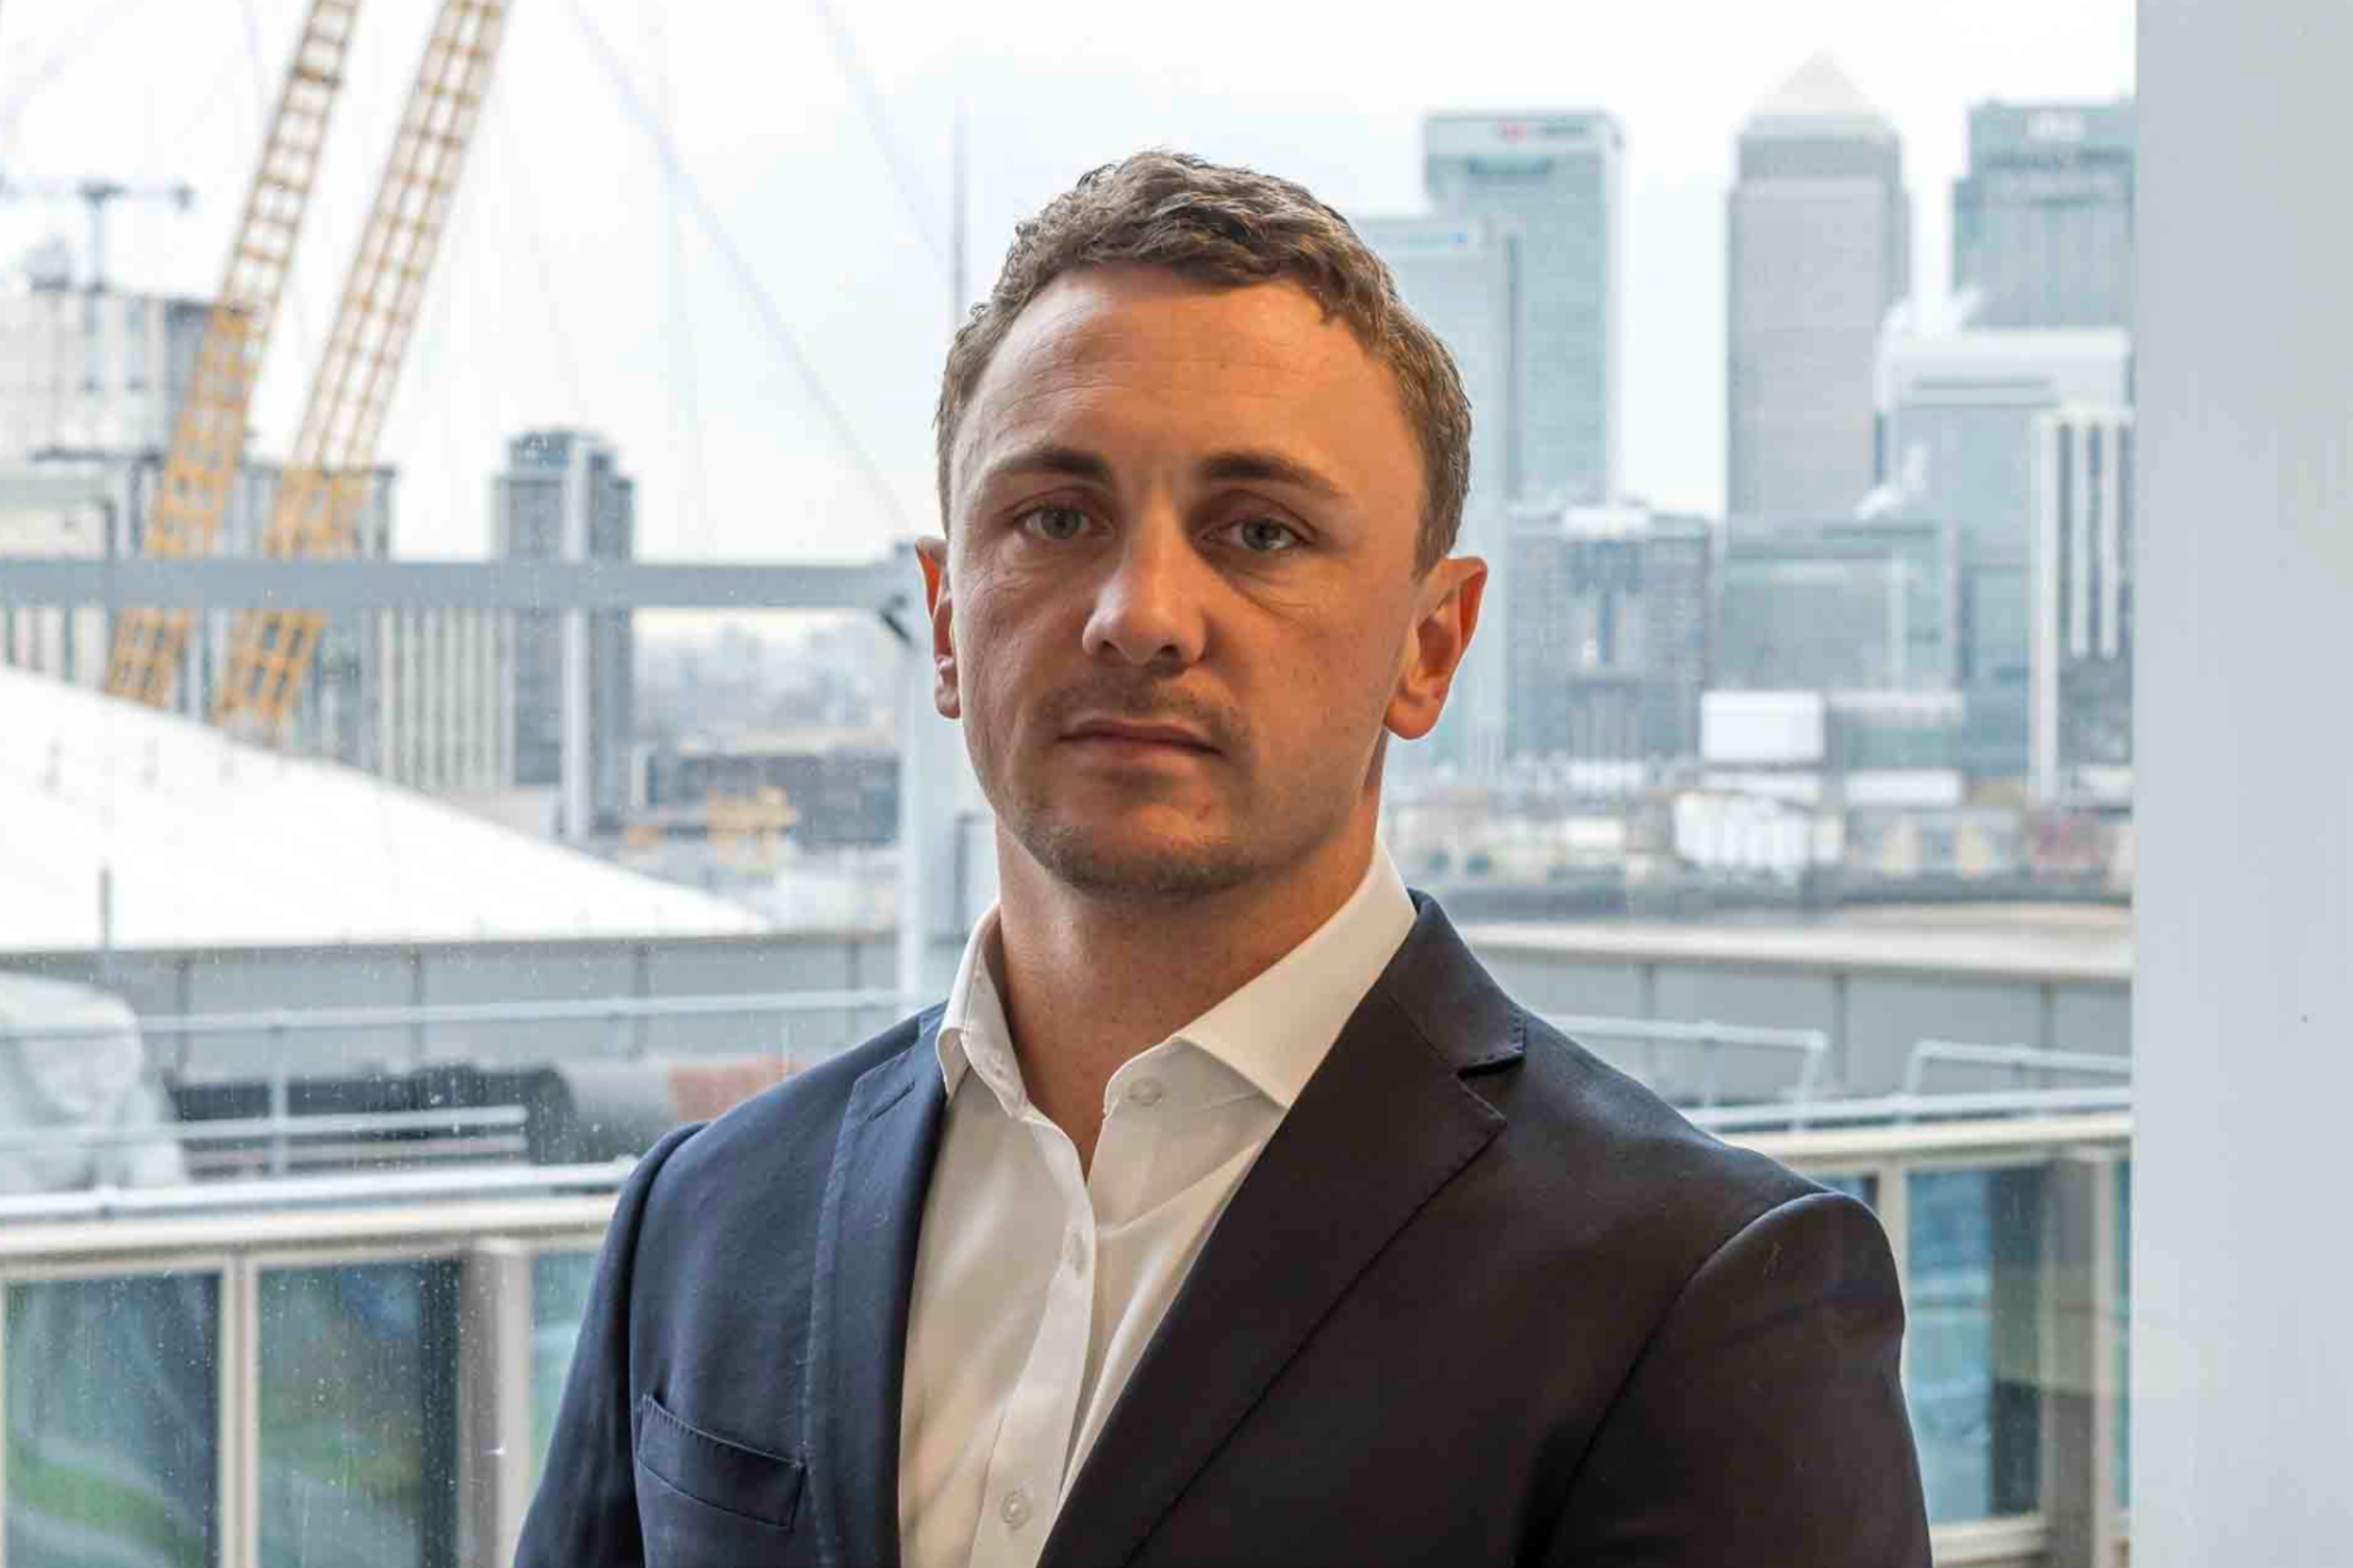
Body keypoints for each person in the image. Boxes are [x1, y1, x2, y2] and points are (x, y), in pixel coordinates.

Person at [516, 150, 1931, 1568]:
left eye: (1259, 531)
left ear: (1428, 645)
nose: (1139, 614)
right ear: (945, 620)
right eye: (1054, 518)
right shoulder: (705, 1218)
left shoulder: (1697, 1288)